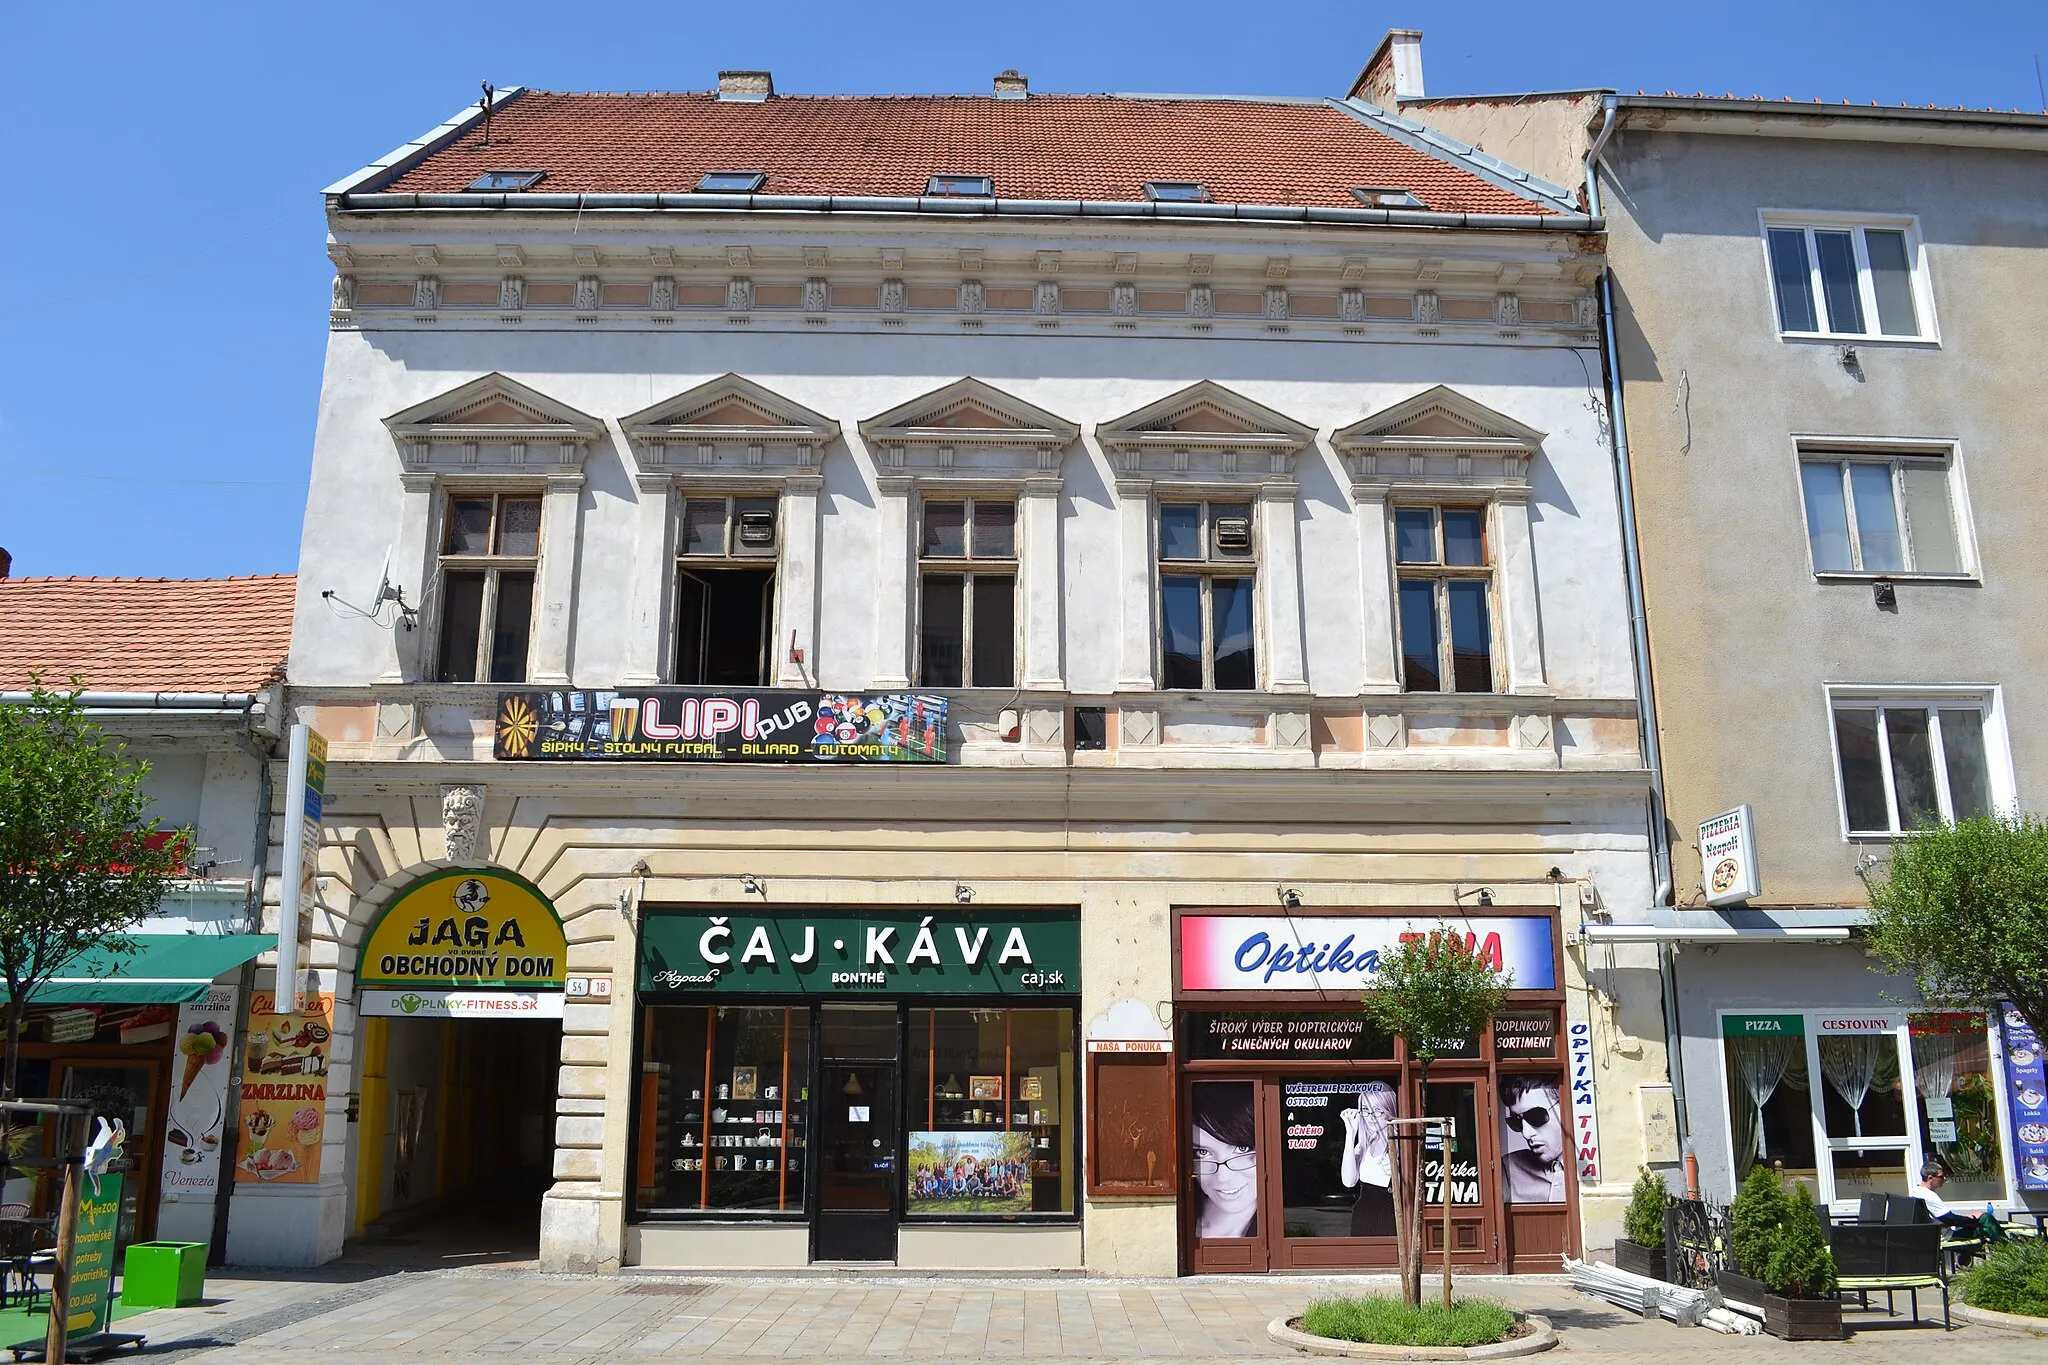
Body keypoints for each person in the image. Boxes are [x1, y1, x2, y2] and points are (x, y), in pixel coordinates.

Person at [1191, 1085, 1259, 1238]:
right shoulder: (1184, 1226)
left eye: (1242, 1148)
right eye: (1203, 1152)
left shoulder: (1280, 1228)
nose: (1223, 1177)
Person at [1338, 1082, 1398, 1236]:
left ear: (1388, 1110)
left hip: (1388, 1213)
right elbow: (1348, 1181)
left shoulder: (1399, 1144)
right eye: (1365, 1110)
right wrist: (1350, 1134)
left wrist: (1396, 1169)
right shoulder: (1363, 1146)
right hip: (1363, 1214)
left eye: (1377, 1111)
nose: (1371, 1117)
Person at [1499, 1076, 1566, 1203]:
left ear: (1565, 1107)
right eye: (1516, 1122)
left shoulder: (1596, 1165)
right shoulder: (1508, 1169)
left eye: (1536, 1117)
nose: (1526, 1133)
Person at [1911, 1162, 1981, 1233]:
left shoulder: (1916, 1191)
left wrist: (1966, 1217)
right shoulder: (1929, 1196)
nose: (1944, 1178)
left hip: (1932, 1232)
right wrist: (1973, 1218)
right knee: (1985, 1219)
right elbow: (1950, 1219)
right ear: (1930, 1178)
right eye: (1941, 1176)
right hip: (1945, 1235)